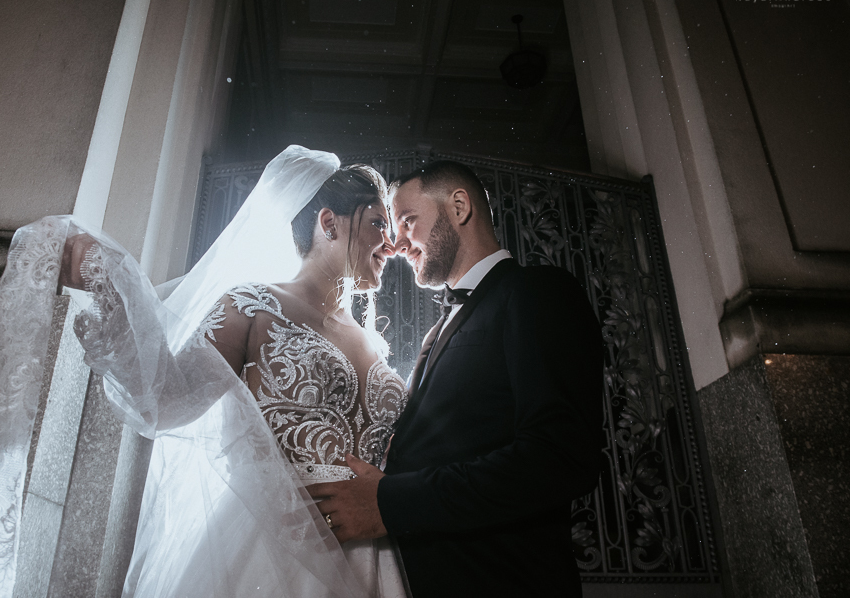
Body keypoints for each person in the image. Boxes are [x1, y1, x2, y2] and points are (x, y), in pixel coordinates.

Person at [56, 146, 412, 597]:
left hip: (377, 560)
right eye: (378, 223)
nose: (393, 243)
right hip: (273, 554)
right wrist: (114, 281)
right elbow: (167, 400)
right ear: (329, 224)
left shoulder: (373, 343)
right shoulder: (252, 306)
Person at [307, 160, 604, 597]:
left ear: (460, 206)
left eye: (408, 221)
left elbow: (559, 457)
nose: (397, 243)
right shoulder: (438, 330)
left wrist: (390, 502)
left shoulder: (536, 292)